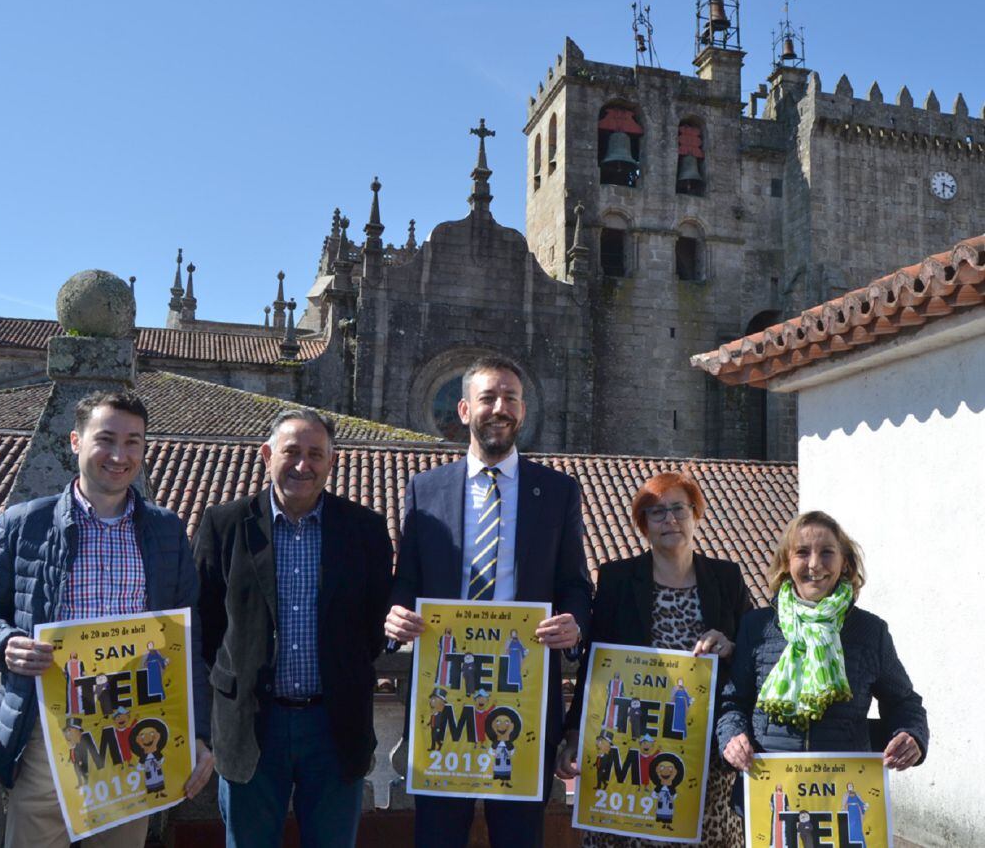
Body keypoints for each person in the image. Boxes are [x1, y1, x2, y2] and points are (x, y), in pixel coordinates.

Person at [0, 390, 214, 848]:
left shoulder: (167, 530)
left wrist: (196, 732)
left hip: (133, 732)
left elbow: (187, 639)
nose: (119, 455)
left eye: (133, 442)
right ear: (76, 441)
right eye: (106, 439)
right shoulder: (24, 523)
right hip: (48, 733)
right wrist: (3, 643)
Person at [385, 355, 592, 848]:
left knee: (519, 837)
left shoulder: (559, 492)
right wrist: (393, 616)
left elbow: (576, 584)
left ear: (522, 411)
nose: (500, 408)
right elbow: (406, 579)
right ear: (463, 409)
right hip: (443, 698)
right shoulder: (425, 490)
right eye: (488, 398)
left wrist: (575, 625)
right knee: (438, 836)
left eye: (511, 399)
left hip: (525, 695)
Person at [194, 408, 393, 848]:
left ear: (331, 462)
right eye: (291, 452)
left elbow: (375, 624)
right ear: (267, 455)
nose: (303, 465)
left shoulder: (366, 530)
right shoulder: (224, 525)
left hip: (334, 725)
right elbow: (201, 625)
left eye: (315, 454)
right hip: (250, 725)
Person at [556, 470, 752, 848]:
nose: (670, 520)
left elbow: (752, 653)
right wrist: (573, 735)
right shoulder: (615, 579)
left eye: (679, 508)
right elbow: (595, 666)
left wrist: (728, 646)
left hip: (704, 751)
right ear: (643, 524)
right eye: (657, 513)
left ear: (696, 514)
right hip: (630, 748)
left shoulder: (727, 578)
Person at [718, 511, 928, 804]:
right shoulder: (757, 626)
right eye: (802, 552)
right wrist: (732, 737)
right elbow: (733, 703)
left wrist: (911, 735)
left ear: (844, 563)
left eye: (827, 552)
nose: (814, 564)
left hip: (843, 795)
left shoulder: (869, 631)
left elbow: (905, 703)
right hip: (770, 795)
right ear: (787, 563)